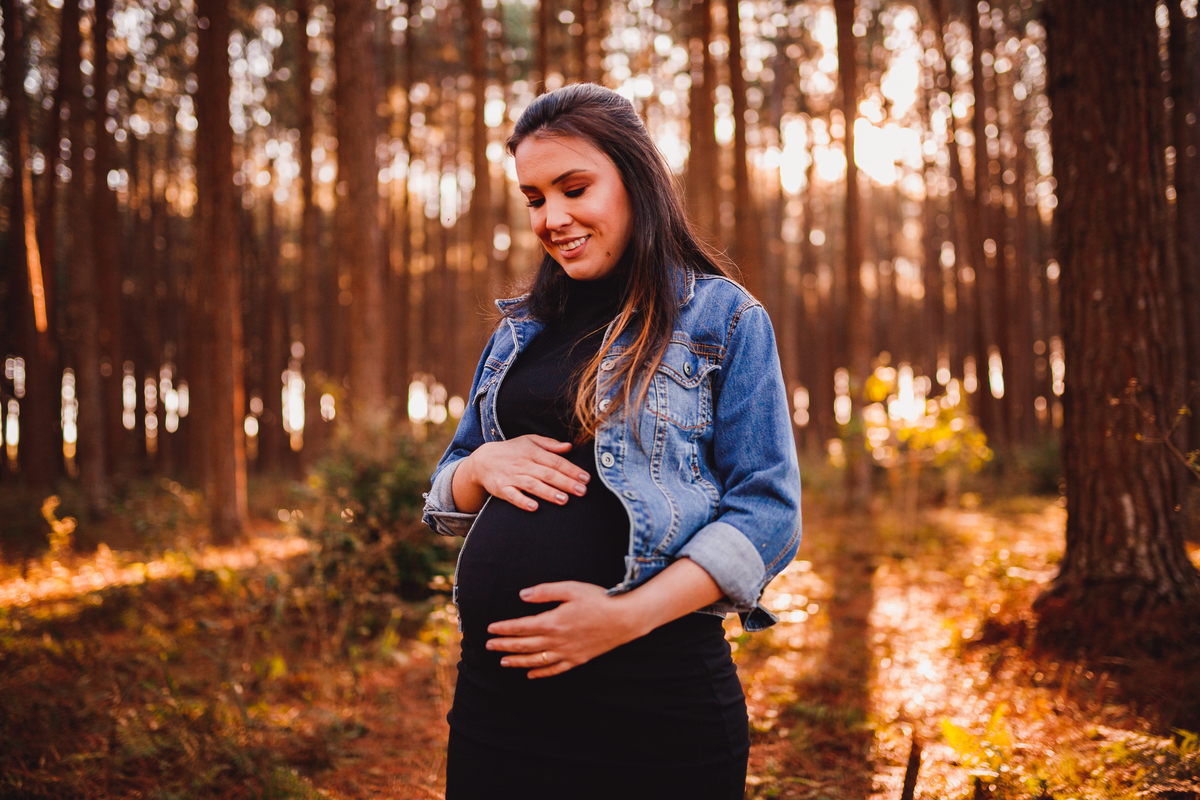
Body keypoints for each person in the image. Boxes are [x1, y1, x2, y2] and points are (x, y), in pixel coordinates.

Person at [421, 83, 802, 800]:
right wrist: (478, 465)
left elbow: (769, 514)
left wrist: (621, 619)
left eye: (574, 188)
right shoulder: (518, 331)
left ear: (634, 177)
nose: (552, 217)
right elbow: (445, 492)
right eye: (535, 198)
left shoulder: (722, 318)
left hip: (652, 704)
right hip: (497, 710)